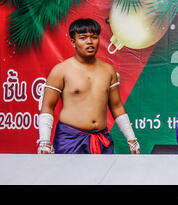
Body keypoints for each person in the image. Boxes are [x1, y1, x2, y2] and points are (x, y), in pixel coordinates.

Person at [36, 18, 140, 154]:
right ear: (73, 42)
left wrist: (132, 139)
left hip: (102, 139)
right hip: (69, 140)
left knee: (105, 175)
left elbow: (116, 106)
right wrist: (44, 141)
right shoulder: (60, 70)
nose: (90, 42)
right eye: (83, 38)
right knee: (68, 176)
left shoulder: (108, 70)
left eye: (94, 37)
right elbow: (47, 106)